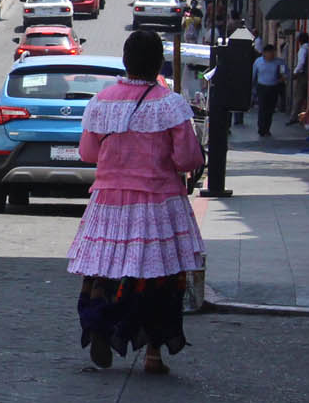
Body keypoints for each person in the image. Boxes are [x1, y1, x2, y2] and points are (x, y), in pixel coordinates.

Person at [66, 29, 206, 375]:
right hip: (159, 203)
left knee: (103, 269)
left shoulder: (102, 102)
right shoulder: (170, 104)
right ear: (158, 62)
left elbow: (88, 153)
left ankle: (100, 327)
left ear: (126, 62)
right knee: (159, 275)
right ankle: (153, 353)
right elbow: (188, 158)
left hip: (110, 200)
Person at [250, 41, 287, 138]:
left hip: (273, 87)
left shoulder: (279, 62)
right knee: (262, 108)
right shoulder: (258, 62)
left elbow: (284, 73)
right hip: (262, 87)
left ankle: (267, 128)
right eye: (270, 53)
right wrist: (252, 88)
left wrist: (282, 78)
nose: (271, 55)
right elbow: (253, 75)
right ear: (264, 53)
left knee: (270, 109)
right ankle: (261, 128)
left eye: (273, 53)